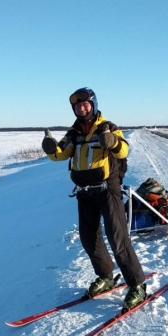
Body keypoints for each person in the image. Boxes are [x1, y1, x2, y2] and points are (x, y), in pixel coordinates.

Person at [41, 87, 147, 310]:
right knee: (89, 238)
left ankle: (137, 285)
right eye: (78, 106)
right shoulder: (74, 133)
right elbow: (61, 154)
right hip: (84, 192)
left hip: (107, 190)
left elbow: (124, 151)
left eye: (85, 104)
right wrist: (51, 149)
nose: (82, 108)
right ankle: (105, 276)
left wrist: (113, 142)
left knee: (117, 239)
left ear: (93, 104)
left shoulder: (108, 128)